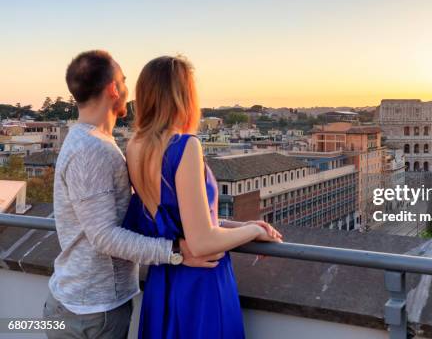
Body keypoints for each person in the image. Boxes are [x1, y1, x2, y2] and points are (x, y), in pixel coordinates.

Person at [44, 50, 222, 339]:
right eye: (124, 80)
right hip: (92, 312)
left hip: (74, 303)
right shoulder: (92, 149)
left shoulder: (88, 141)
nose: (128, 89)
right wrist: (175, 252)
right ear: (113, 89)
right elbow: (103, 236)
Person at [121, 54, 283, 339]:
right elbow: (202, 242)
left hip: (164, 278)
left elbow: (180, 219)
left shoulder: (135, 145)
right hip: (200, 284)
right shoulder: (185, 146)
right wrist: (255, 229)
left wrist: (242, 228)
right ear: (184, 96)